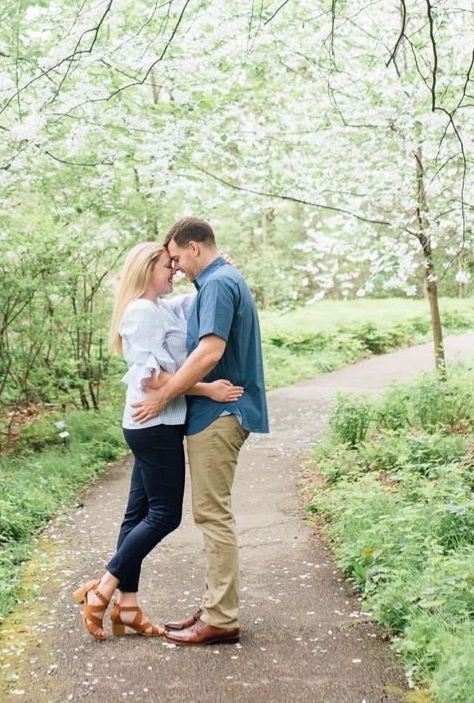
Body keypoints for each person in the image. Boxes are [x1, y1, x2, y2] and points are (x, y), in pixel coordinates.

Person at [74, 241, 243, 640]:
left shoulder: (162, 307)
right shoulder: (142, 312)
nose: (175, 271)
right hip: (155, 425)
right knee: (165, 515)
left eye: (176, 264)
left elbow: (198, 301)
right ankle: (102, 590)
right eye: (169, 266)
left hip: (151, 424)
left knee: (138, 515)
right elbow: (150, 377)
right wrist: (206, 390)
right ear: (148, 269)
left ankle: (128, 608)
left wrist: (216, 269)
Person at [130, 216, 268, 646]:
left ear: (193, 247)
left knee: (212, 514)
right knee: (210, 513)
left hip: (219, 415)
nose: (176, 268)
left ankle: (222, 618)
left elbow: (210, 350)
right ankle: (214, 608)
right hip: (214, 413)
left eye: (176, 258)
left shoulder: (219, 283)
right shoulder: (215, 282)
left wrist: (163, 394)